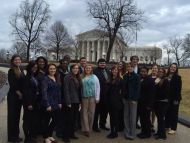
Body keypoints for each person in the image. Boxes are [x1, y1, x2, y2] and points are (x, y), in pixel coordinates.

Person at [41, 64, 62, 143]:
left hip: (56, 103)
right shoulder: (45, 79)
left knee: (56, 120)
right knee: (46, 121)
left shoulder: (57, 78)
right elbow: (44, 92)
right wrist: (47, 104)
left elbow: (59, 91)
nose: (52, 70)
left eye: (54, 69)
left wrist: (60, 102)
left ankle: (50, 135)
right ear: (48, 70)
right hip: (48, 103)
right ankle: (46, 138)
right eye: (51, 69)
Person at [7, 54, 25, 142]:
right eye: (16, 60)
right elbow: (13, 85)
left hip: (19, 98)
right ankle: (12, 137)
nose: (17, 61)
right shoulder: (11, 71)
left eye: (19, 60)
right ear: (12, 61)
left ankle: (16, 135)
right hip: (13, 97)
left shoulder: (21, 69)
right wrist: (20, 94)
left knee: (17, 117)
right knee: (12, 117)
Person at [62, 64, 81, 143]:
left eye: (77, 68)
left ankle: (71, 134)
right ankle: (65, 136)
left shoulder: (77, 77)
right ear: (71, 69)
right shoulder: (67, 77)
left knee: (74, 119)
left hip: (76, 101)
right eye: (74, 68)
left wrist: (80, 101)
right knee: (68, 120)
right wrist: (68, 101)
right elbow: (65, 90)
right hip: (70, 101)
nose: (76, 70)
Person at [122, 62, 140, 140]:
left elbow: (138, 89)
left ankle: (132, 133)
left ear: (133, 68)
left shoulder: (136, 76)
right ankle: (127, 132)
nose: (129, 68)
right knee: (126, 116)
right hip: (126, 99)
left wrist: (135, 99)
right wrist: (123, 97)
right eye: (128, 67)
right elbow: (123, 88)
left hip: (133, 100)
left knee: (132, 117)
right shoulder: (125, 76)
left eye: (131, 67)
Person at [81, 64, 100, 137]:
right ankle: (86, 129)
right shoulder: (81, 76)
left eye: (89, 68)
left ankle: (90, 127)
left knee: (91, 113)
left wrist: (97, 97)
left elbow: (98, 87)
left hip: (92, 97)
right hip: (84, 97)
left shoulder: (94, 77)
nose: (88, 69)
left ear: (91, 69)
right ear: (84, 69)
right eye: (86, 68)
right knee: (84, 113)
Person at [22, 61, 39, 143]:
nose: (35, 68)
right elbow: (26, 92)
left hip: (34, 102)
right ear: (29, 67)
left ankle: (30, 137)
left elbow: (34, 88)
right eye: (33, 67)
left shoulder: (33, 76)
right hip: (29, 103)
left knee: (31, 120)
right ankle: (27, 138)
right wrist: (29, 104)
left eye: (36, 67)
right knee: (27, 120)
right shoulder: (27, 77)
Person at [137, 66, 155, 139]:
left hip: (147, 104)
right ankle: (143, 131)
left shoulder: (150, 80)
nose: (143, 73)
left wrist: (150, 105)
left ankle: (147, 133)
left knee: (146, 119)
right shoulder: (140, 79)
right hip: (140, 103)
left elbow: (152, 94)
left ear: (147, 72)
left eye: (144, 71)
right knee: (142, 119)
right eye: (141, 71)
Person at [93, 59, 110, 132]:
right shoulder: (95, 71)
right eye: (101, 63)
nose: (102, 64)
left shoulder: (107, 70)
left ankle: (102, 124)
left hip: (107, 95)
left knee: (105, 111)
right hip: (98, 94)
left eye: (104, 63)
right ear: (98, 64)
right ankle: (95, 126)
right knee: (97, 112)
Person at [165, 63, 182, 134]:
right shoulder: (167, 76)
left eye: (174, 67)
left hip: (175, 98)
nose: (172, 68)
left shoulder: (178, 77)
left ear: (176, 69)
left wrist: (176, 100)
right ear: (169, 68)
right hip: (168, 98)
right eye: (172, 67)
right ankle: (167, 125)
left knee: (174, 113)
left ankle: (173, 128)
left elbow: (178, 89)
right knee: (167, 112)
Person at [107, 65, 123, 139]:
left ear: (118, 71)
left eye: (116, 70)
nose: (114, 71)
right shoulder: (109, 79)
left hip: (116, 101)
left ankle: (115, 132)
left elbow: (123, 91)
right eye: (113, 70)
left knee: (115, 117)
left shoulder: (120, 79)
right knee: (111, 117)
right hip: (109, 101)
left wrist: (119, 99)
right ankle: (112, 131)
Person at [56, 59, 70, 137]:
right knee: (60, 115)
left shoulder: (67, 72)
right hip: (60, 96)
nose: (65, 64)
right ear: (60, 64)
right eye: (63, 63)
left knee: (64, 115)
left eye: (66, 63)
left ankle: (63, 130)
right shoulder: (58, 72)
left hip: (66, 95)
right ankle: (59, 131)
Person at [154, 67, 169, 140]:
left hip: (162, 102)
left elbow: (165, 92)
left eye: (161, 72)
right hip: (157, 102)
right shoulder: (157, 79)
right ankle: (159, 132)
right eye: (159, 71)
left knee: (161, 119)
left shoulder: (166, 80)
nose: (160, 73)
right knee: (159, 119)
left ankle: (163, 136)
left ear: (164, 73)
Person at [35, 56, 48, 135]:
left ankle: (42, 130)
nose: (42, 63)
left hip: (45, 96)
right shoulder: (35, 71)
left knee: (44, 115)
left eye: (43, 62)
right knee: (37, 115)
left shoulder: (46, 71)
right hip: (37, 96)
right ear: (37, 62)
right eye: (40, 61)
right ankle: (36, 131)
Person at [149, 64, 159, 132]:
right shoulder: (148, 77)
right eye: (153, 68)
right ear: (151, 69)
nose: (154, 69)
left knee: (153, 112)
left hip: (156, 97)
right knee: (148, 112)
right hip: (149, 97)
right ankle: (148, 124)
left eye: (155, 68)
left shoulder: (159, 77)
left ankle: (152, 125)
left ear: (157, 69)